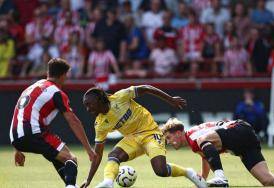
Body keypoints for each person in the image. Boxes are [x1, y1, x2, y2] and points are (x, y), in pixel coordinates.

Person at [81, 85, 207, 188]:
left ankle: (188, 172)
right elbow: (97, 156)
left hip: (151, 133)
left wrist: (171, 99)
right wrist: (88, 180)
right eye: (85, 105)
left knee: (160, 171)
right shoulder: (100, 124)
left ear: (99, 100)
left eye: (89, 104)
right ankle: (108, 183)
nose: (87, 109)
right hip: (132, 138)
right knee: (113, 155)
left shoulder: (120, 97)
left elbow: (146, 88)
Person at [161, 118, 274, 187]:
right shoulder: (197, 142)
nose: (168, 142)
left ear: (178, 132)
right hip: (242, 143)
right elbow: (206, 157)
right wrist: (202, 180)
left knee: (203, 141)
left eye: (168, 137)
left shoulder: (192, 135)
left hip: (238, 130)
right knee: (269, 181)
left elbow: (206, 144)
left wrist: (216, 175)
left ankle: (221, 177)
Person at [9, 58, 96, 188]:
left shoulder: (32, 87)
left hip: (15, 136)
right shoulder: (57, 92)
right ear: (62, 75)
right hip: (34, 133)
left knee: (58, 157)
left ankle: (72, 185)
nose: (66, 79)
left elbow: (20, 115)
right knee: (71, 159)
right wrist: (89, 150)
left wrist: (18, 148)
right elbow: (73, 121)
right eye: (66, 75)